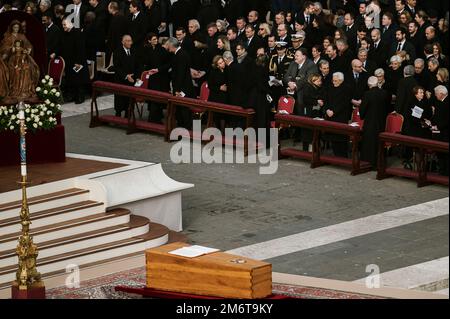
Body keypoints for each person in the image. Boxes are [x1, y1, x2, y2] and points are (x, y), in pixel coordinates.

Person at [360, 76, 390, 168]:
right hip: (381, 123)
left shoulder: (367, 94)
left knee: (369, 144)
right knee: (379, 143)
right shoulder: (384, 93)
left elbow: (362, 111)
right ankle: (380, 163)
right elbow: (387, 107)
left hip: (370, 123)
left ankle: (369, 162)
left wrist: (363, 115)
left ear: (369, 85)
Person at [142, 33, 171, 123]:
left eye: (156, 39)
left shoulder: (162, 50)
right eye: (153, 39)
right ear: (149, 41)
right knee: (153, 96)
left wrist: (158, 69)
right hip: (152, 77)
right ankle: (154, 117)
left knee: (159, 97)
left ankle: (155, 118)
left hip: (161, 77)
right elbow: (145, 62)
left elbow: (168, 63)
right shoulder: (146, 50)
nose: (156, 41)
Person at [166, 37, 194, 129]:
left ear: (171, 45)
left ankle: (186, 129)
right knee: (180, 110)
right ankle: (182, 128)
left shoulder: (181, 55)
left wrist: (177, 90)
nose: (167, 47)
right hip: (182, 86)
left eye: (168, 46)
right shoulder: (179, 54)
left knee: (184, 110)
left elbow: (180, 74)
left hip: (183, 88)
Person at [61, 18, 89, 104]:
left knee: (79, 80)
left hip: (78, 61)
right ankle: (72, 96)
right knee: (71, 79)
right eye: (62, 25)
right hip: (69, 61)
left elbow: (81, 49)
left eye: (64, 25)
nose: (63, 27)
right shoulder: (65, 34)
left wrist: (78, 62)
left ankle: (80, 97)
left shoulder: (78, 33)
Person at [324, 72, 352, 157]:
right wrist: (327, 109)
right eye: (333, 80)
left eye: (336, 81)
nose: (334, 82)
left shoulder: (346, 89)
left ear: (341, 80)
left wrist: (334, 111)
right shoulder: (330, 87)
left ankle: (343, 157)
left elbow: (344, 103)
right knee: (333, 138)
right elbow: (326, 99)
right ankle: (336, 156)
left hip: (341, 117)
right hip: (330, 116)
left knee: (341, 138)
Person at [113, 35, 140, 117]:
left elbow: (138, 65)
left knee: (129, 100)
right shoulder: (117, 52)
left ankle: (127, 116)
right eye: (127, 41)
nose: (129, 43)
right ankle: (118, 115)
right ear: (123, 42)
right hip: (121, 80)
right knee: (120, 99)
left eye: (130, 41)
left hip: (132, 80)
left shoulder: (134, 51)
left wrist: (138, 77)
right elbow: (117, 67)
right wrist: (126, 76)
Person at [301, 73, 324, 151]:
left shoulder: (317, 88)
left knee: (314, 131)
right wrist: (317, 101)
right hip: (309, 112)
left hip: (315, 112)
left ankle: (314, 150)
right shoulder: (308, 87)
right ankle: (306, 150)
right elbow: (306, 99)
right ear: (313, 80)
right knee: (308, 132)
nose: (320, 82)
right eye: (318, 81)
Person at [431, 85, 449, 176]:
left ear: (441, 94)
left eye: (436, 94)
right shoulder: (440, 102)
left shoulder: (447, 102)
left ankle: (445, 172)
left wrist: (439, 126)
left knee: (445, 153)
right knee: (440, 152)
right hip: (440, 132)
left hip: (445, 133)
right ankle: (442, 170)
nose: (435, 95)